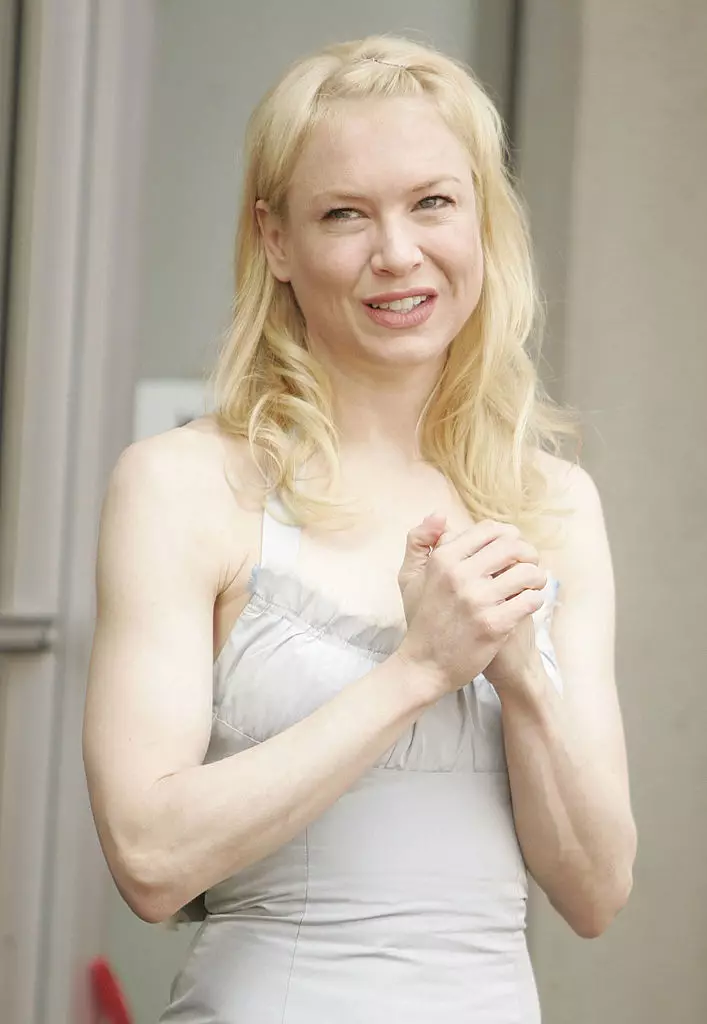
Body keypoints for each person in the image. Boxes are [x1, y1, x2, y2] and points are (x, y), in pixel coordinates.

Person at [83, 35, 637, 1023]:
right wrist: (417, 670)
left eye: (432, 202)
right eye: (345, 213)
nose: (396, 252)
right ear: (275, 240)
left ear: (481, 218)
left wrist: (520, 678)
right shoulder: (182, 486)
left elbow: (594, 895)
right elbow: (149, 859)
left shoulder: (553, 503)